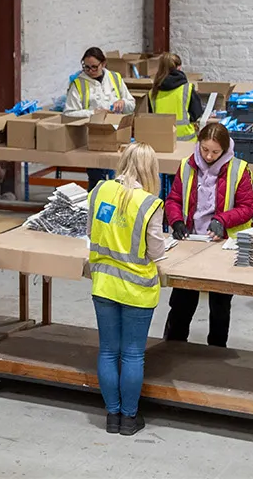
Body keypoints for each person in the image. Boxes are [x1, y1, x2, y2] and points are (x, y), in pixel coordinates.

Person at [88, 142, 164, 436]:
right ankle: (129, 420)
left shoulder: (99, 191)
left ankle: (112, 416)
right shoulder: (148, 203)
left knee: (108, 351)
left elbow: (91, 232)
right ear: (150, 169)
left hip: (104, 283)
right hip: (136, 289)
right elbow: (156, 251)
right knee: (132, 354)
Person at [163, 123, 253, 348]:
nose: (209, 156)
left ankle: (216, 351)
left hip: (221, 246)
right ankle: (173, 347)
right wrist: (176, 221)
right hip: (190, 244)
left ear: (225, 149)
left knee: (220, 307)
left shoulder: (239, 169)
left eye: (215, 152)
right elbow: (173, 199)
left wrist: (222, 220)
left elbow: (248, 207)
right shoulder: (186, 165)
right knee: (181, 303)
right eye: (205, 149)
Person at [67, 47, 135, 188]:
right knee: (97, 180)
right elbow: (68, 113)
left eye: (94, 67)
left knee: (119, 179)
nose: (90, 71)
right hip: (94, 139)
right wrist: (93, 113)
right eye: (86, 67)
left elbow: (131, 104)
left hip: (117, 136)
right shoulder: (78, 83)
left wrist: (123, 103)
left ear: (103, 64)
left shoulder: (115, 78)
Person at [150, 52, 205, 143]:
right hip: (186, 142)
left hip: (162, 142)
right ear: (179, 67)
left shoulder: (153, 92)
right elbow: (197, 113)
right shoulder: (187, 89)